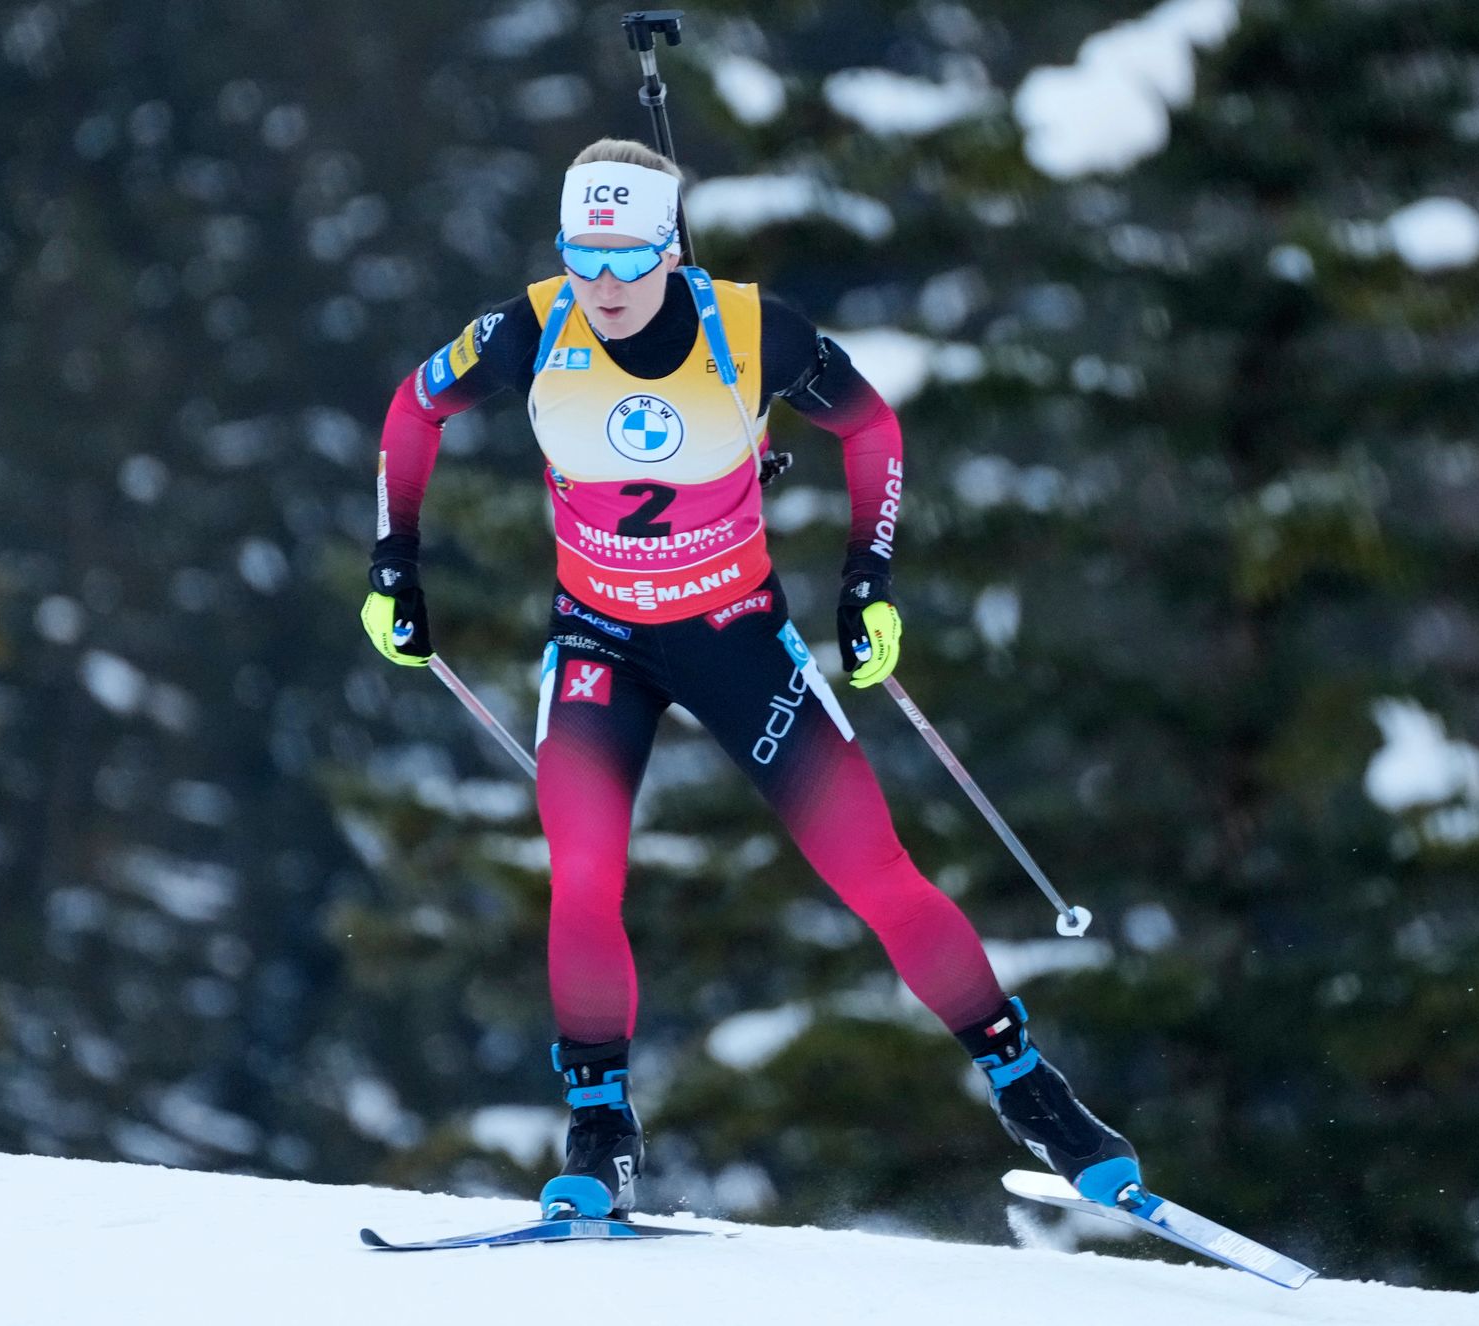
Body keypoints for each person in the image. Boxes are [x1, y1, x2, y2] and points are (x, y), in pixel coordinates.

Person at [361, 137, 1142, 1221]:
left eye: (628, 259)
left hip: (736, 636)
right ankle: (600, 1132)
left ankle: (1032, 1093)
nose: (603, 288)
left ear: (670, 248)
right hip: (598, 644)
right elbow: (414, 408)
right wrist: (394, 561)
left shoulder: (749, 331)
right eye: (581, 257)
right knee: (583, 877)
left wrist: (867, 581)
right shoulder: (529, 327)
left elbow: (869, 426)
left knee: (873, 872)